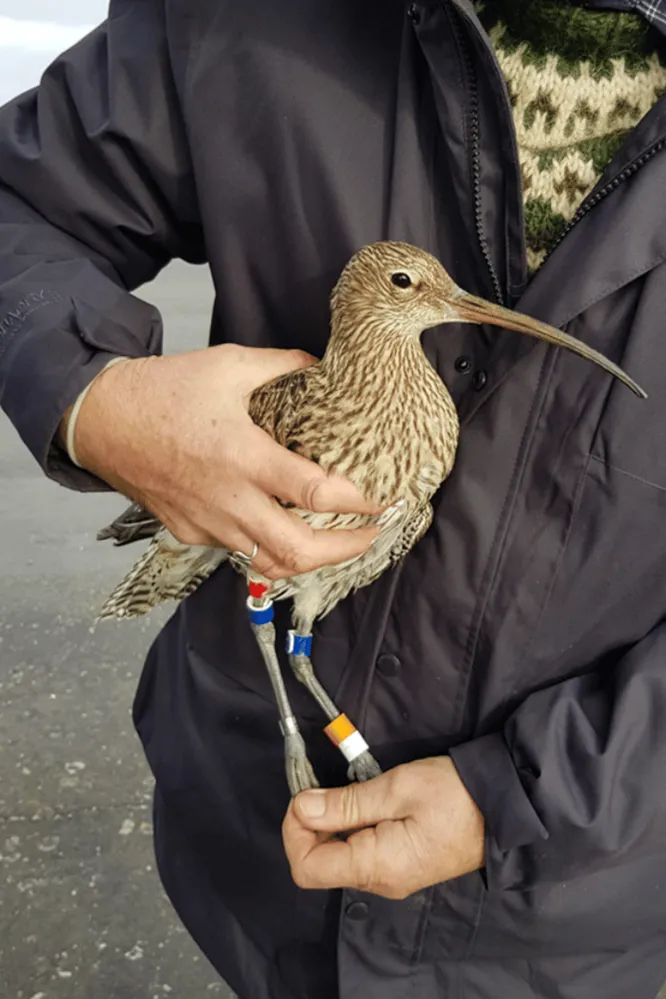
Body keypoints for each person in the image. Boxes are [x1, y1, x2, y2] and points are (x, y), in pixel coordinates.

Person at [1, 1, 666, 997]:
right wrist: (97, 401)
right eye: (418, 292)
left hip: (569, 912)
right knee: (281, 629)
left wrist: (527, 801)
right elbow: (21, 198)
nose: (459, 315)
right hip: (247, 849)